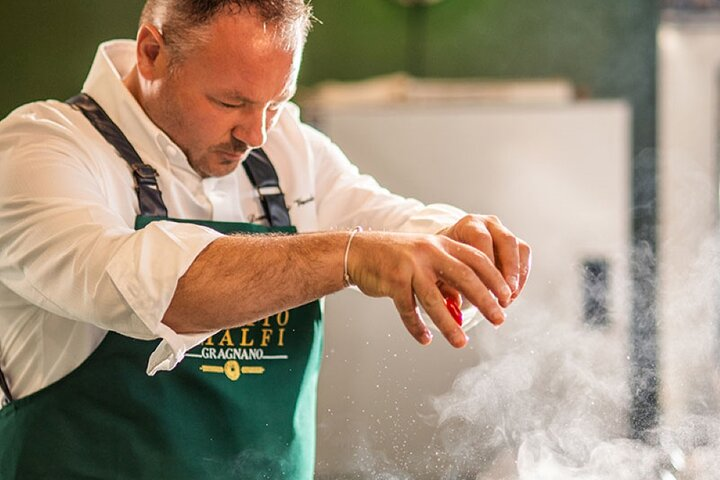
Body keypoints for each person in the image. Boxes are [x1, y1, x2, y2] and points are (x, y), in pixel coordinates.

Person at [0, 1, 531, 478]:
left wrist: (453, 238)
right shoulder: (39, 152)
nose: (256, 135)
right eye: (230, 102)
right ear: (152, 52)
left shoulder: (290, 149)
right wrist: (349, 254)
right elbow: (146, 284)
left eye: (276, 102)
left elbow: (384, 216)